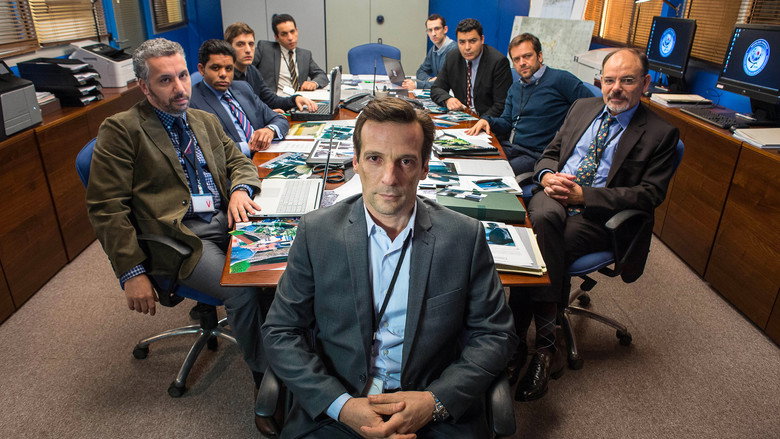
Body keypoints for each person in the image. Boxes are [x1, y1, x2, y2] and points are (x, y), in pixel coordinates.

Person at [261, 98, 517, 438]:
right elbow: (281, 331)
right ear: (355, 161)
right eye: (374, 158)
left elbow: (495, 334)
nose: (389, 178)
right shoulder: (316, 233)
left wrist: (436, 401)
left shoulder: (464, 237)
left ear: (424, 167)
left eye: (406, 161)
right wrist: (341, 405)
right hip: (338, 408)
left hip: (432, 410)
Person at [86, 38, 272, 427]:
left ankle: (288, 352)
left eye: (183, 76)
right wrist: (131, 272)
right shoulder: (122, 130)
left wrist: (240, 189)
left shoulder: (203, 120)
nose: (180, 88)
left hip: (229, 218)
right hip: (180, 239)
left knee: (281, 269)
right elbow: (106, 208)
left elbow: (239, 161)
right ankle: (266, 381)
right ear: (144, 86)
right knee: (242, 287)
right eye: (166, 80)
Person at [510, 48, 679, 402]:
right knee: (543, 221)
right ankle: (543, 344)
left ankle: (522, 342)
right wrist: (546, 176)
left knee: (537, 245)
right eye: (609, 80)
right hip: (554, 198)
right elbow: (550, 152)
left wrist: (583, 195)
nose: (616, 88)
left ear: (645, 84)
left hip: (598, 216)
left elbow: (649, 194)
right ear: (600, 81)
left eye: (627, 80)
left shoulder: (660, 133)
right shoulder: (582, 107)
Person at [465, 33, 593, 175]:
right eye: (516, 59)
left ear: (540, 56)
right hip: (512, 148)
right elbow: (507, 122)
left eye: (527, 56)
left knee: (491, 172)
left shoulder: (560, 79)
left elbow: (593, 107)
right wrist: (487, 121)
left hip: (536, 155)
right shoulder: (515, 88)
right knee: (471, 162)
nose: (522, 63)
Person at [190, 39, 289, 157]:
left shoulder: (243, 88)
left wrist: (270, 130)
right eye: (216, 68)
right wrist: (247, 147)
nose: (223, 74)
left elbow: (279, 119)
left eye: (228, 68)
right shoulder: (192, 103)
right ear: (202, 69)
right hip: (236, 164)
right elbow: (204, 150)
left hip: (264, 156)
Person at [224, 22, 318, 113]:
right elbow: (239, 113)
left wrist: (295, 99)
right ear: (229, 48)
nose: (248, 50)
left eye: (251, 44)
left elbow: (271, 100)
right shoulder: (225, 77)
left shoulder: (252, 71)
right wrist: (266, 114)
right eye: (240, 44)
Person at [430, 18, 512, 118]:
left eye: (472, 41)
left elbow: (501, 104)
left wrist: (480, 121)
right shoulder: (453, 57)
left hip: (488, 120)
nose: (467, 47)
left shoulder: (498, 62)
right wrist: (448, 99)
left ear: (482, 39)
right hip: (463, 117)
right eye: (462, 42)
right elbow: (436, 88)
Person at [254, 13, 329, 96]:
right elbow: (246, 69)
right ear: (276, 37)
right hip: (273, 101)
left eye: (292, 32)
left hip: (299, 100)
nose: (290, 38)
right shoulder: (265, 49)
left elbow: (321, 75)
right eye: (284, 34)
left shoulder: (305, 55)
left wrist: (314, 83)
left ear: (297, 31)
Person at [401, 14, 456, 91]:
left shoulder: (454, 51)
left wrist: (416, 85)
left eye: (437, 29)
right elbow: (420, 71)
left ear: (445, 29)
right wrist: (430, 80)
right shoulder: (433, 49)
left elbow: (444, 83)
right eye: (430, 30)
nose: (433, 34)